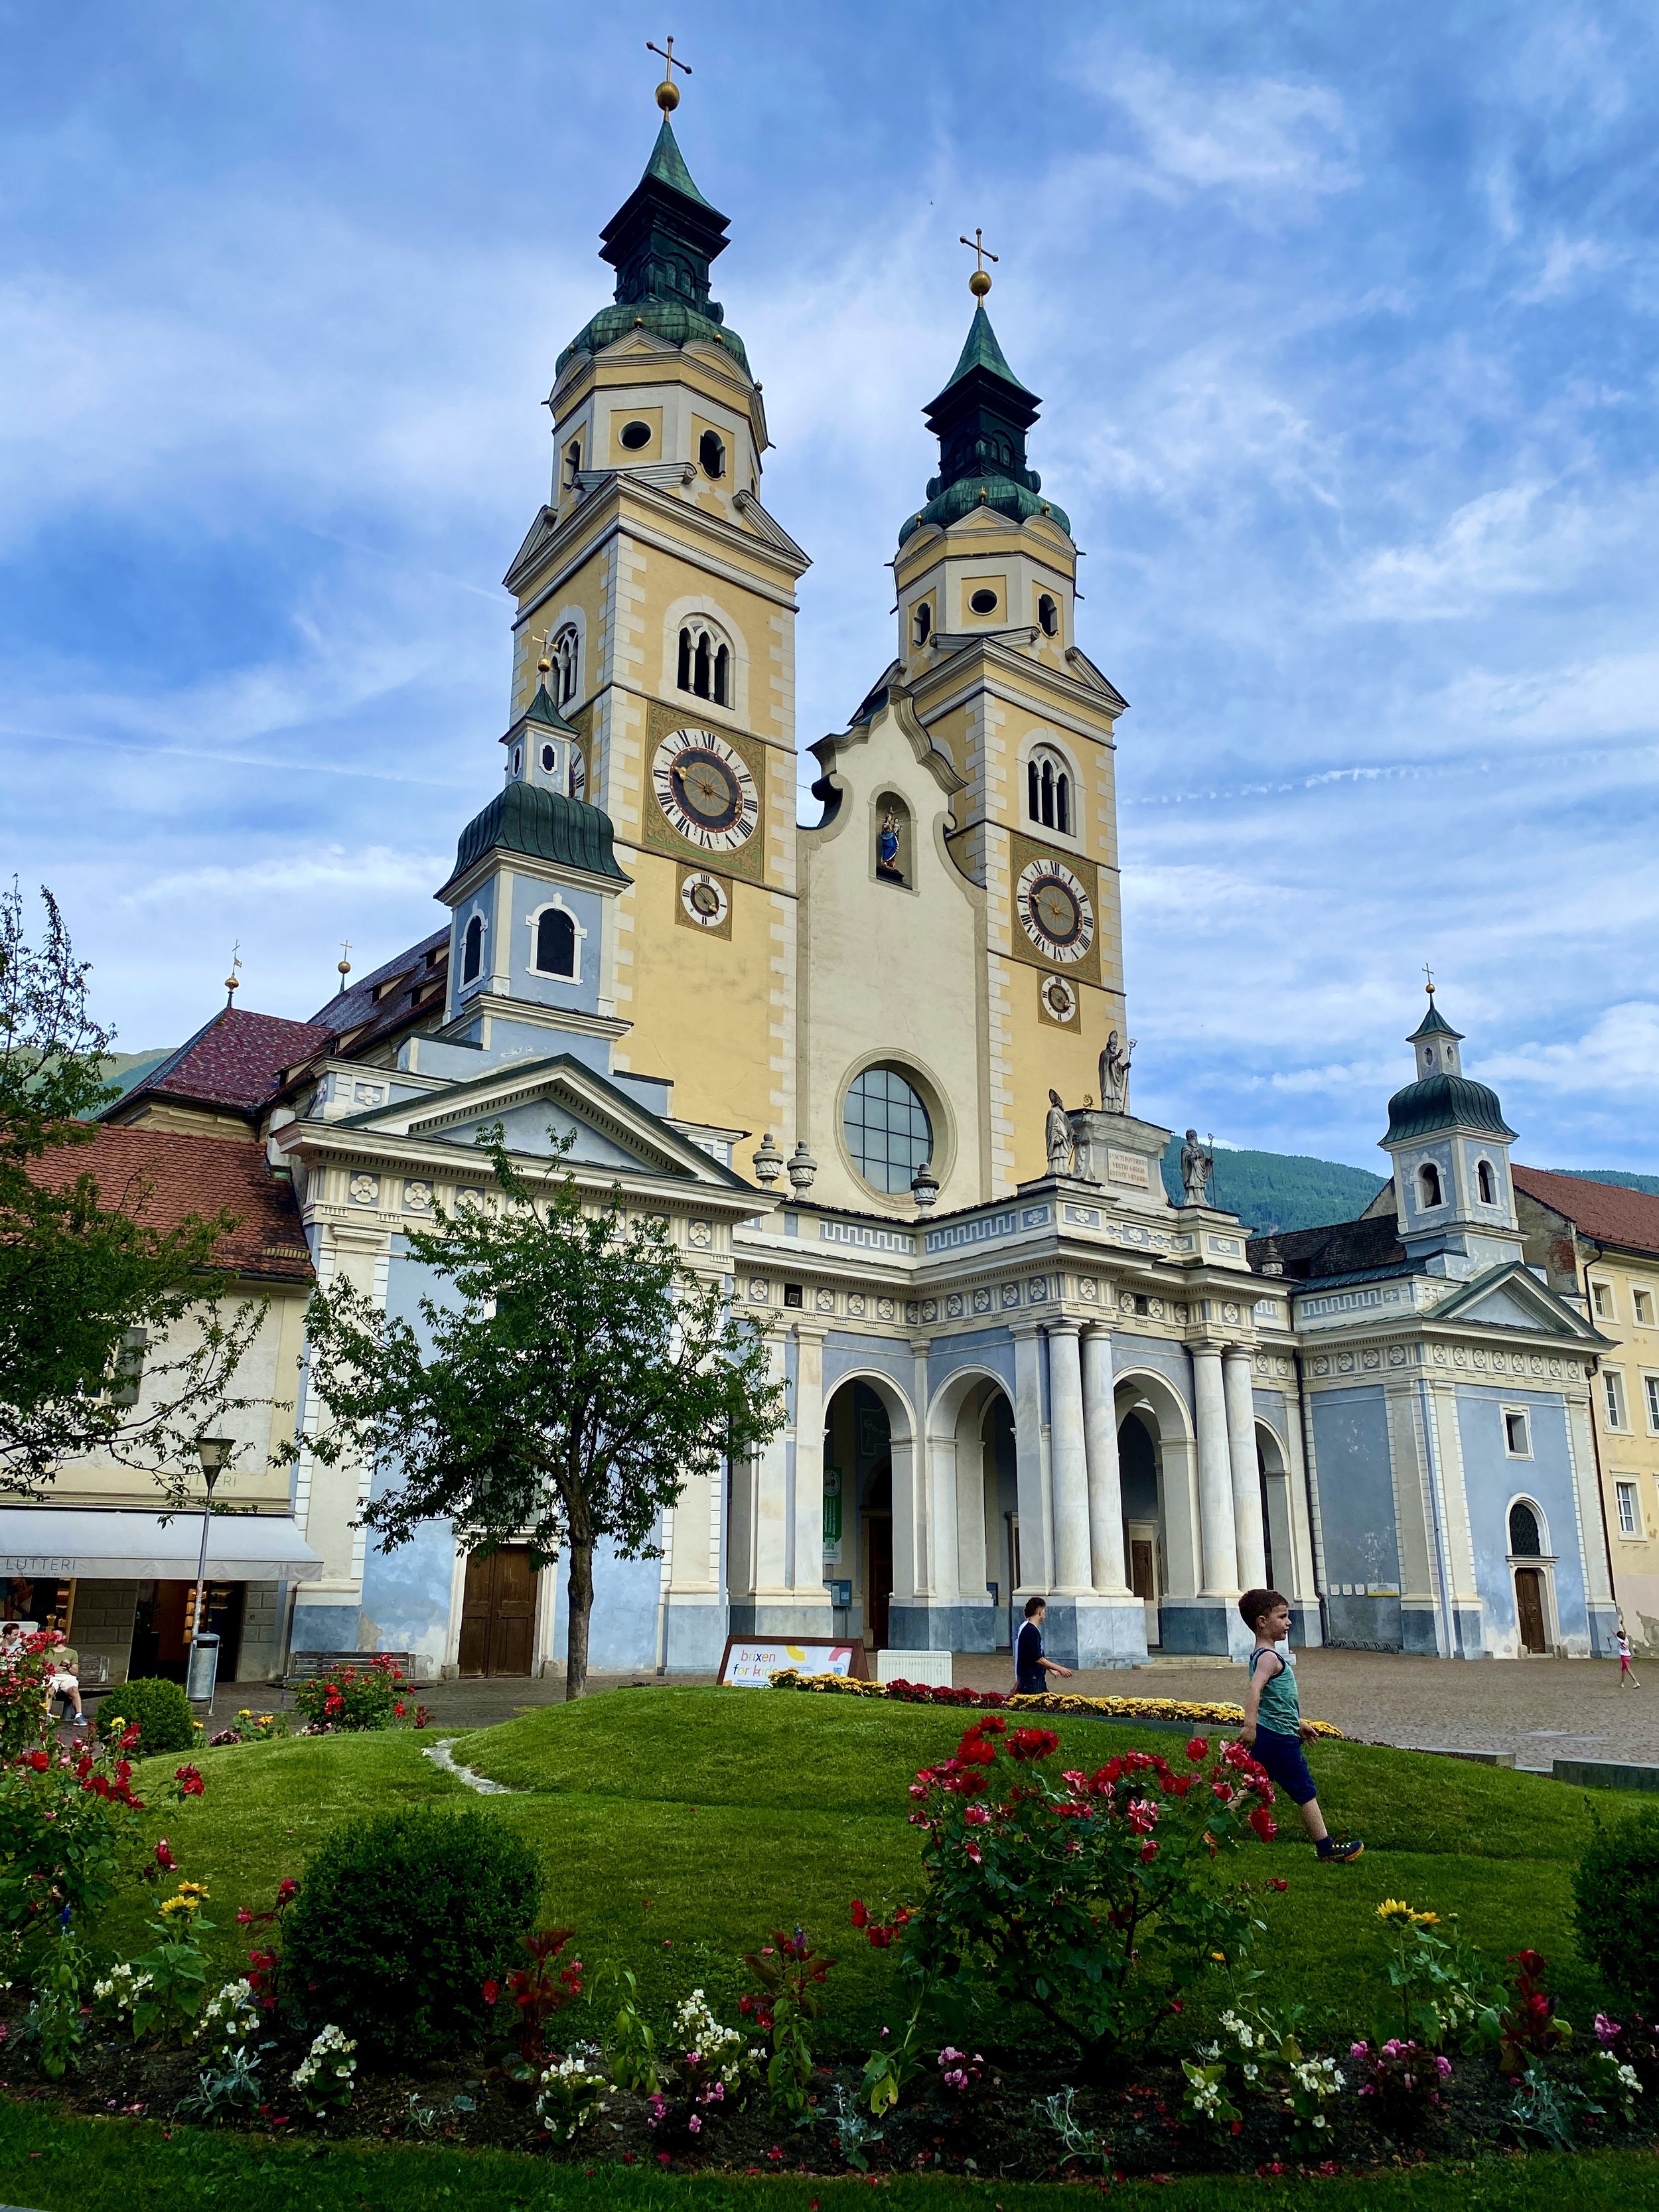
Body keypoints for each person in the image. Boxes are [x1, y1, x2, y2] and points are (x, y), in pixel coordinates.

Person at [1238, 1587, 1363, 1863]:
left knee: (1251, 1785)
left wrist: (1299, 1723)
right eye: (1283, 1617)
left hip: (1275, 1734)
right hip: (1279, 1741)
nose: (1289, 1622)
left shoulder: (1264, 1655)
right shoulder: (1269, 1658)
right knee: (1305, 1791)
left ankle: (1209, 1832)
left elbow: (1277, 1702)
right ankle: (1326, 1847)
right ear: (1262, 1622)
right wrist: (1250, 1725)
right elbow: (1255, 1690)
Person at [1013, 1595, 1074, 1698]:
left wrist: (1050, 1669)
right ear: (1040, 1613)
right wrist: (1060, 1669)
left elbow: (1034, 1655)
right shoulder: (1031, 1631)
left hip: (1033, 1679)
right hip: (1032, 1680)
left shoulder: (1029, 1629)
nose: (1045, 1615)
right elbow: (1037, 1658)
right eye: (1044, 1612)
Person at [1617, 1618, 1640, 1688]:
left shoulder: (1620, 1641)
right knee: (1623, 1669)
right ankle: (1622, 1682)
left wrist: (1611, 1630)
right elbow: (1625, 1631)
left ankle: (1636, 1682)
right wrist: (1622, 1624)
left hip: (1624, 1657)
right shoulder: (1626, 1639)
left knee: (1628, 1669)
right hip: (1628, 1655)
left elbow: (1615, 1635)